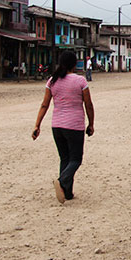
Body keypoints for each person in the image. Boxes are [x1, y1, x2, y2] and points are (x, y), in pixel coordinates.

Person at [31, 50, 95, 202]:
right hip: (74, 126)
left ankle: (67, 193)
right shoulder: (80, 81)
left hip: (57, 126)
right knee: (76, 159)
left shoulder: (52, 81)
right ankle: (62, 181)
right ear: (74, 64)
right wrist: (91, 124)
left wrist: (37, 125)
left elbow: (44, 104)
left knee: (65, 158)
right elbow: (88, 104)